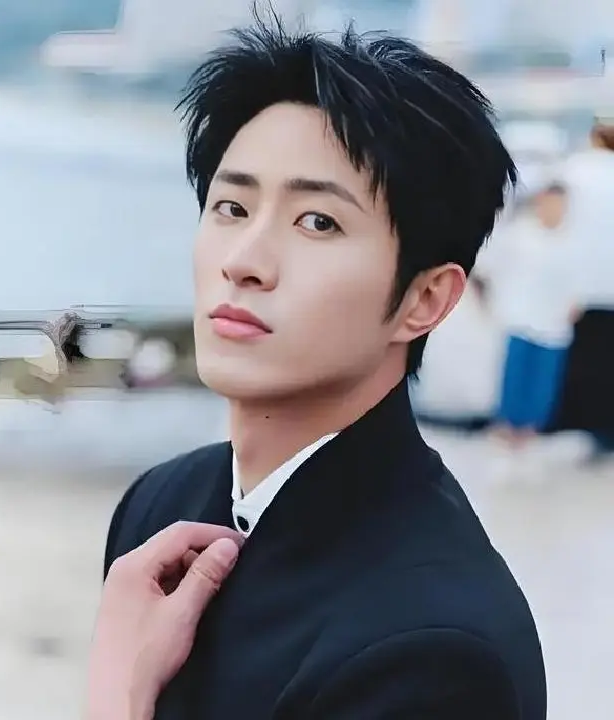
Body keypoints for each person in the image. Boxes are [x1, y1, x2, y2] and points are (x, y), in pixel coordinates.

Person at [98, 9, 546, 720]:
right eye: (231, 206)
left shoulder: (434, 653)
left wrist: (115, 702)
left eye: (318, 222)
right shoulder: (160, 505)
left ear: (424, 300)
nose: (244, 262)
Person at [488, 183, 576, 444]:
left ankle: (531, 428)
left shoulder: (570, 241)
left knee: (543, 380)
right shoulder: (520, 235)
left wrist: (573, 304)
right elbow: (496, 267)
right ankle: (507, 425)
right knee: (516, 374)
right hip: (521, 317)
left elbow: (576, 280)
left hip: (554, 323)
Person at [550, 122, 614, 454]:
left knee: (580, 358)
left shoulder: (574, 170)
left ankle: (577, 423)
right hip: (607, 285)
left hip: (579, 286)